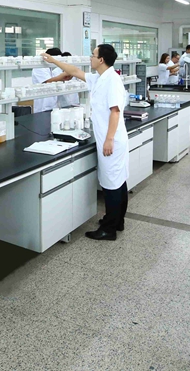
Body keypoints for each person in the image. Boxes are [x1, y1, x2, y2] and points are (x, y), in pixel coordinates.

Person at [43, 44, 128, 241]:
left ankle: (109, 229)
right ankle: (117, 221)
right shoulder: (100, 78)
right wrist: (54, 60)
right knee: (118, 181)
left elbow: (115, 111)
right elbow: (75, 71)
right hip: (109, 137)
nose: (90, 58)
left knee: (112, 184)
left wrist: (108, 139)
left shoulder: (112, 80)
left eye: (93, 55)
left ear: (101, 60)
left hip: (112, 140)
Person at [32, 47, 63, 113]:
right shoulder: (39, 67)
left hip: (52, 105)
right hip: (42, 107)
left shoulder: (48, 67)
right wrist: (63, 76)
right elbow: (48, 81)